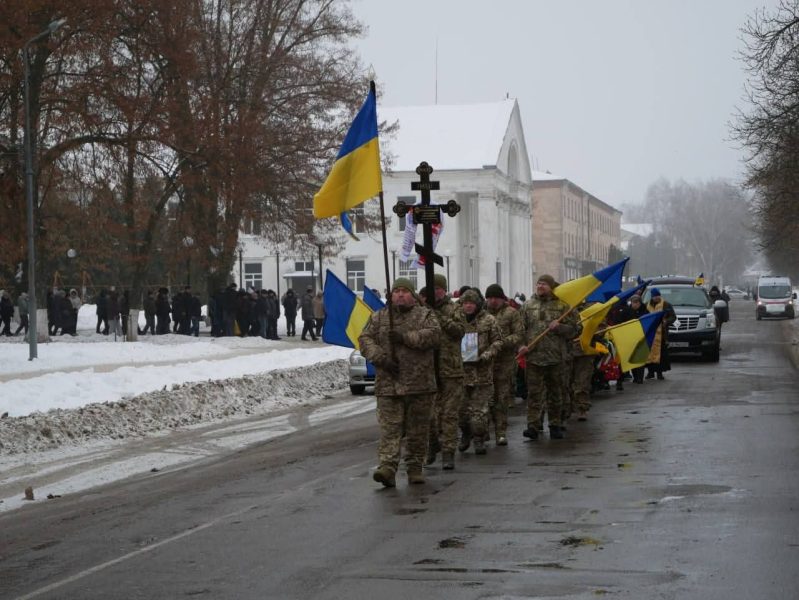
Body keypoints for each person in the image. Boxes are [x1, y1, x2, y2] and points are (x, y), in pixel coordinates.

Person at [359, 278, 441, 487]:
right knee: (390, 429)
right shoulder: (379, 317)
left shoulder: (425, 315)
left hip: (419, 385)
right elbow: (365, 340)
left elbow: (433, 336)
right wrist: (382, 358)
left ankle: (415, 468)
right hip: (389, 385)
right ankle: (387, 467)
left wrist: (405, 337)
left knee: (417, 430)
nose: (400, 295)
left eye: (405, 291)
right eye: (397, 292)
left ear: (413, 296)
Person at [517, 274, 579, 440]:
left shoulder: (563, 306)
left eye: (544, 284)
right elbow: (519, 330)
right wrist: (521, 345)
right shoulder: (527, 306)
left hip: (556, 358)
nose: (540, 286)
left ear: (551, 287)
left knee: (555, 393)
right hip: (534, 358)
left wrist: (560, 327)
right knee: (534, 394)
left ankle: (555, 424)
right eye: (538, 283)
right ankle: (533, 426)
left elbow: (575, 330)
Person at [426, 273, 465, 470]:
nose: (435, 293)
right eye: (432, 289)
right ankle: (432, 446)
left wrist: (439, 317)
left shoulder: (454, 308)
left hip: (451, 370)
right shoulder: (423, 310)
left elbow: (459, 331)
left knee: (449, 415)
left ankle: (449, 452)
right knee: (430, 415)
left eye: (438, 289)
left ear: (444, 290)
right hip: (428, 371)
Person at [458, 288, 502, 456]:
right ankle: (465, 433)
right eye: (465, 303)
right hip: (461, 373)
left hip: (481, 372)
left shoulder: (489, 320)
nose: (468, 306)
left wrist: (486, 355)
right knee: (461, 411)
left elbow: (498, 342)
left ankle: (478, 438)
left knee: (480, 411)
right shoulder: (456, 321)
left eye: (471, 303)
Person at [484, 283, 523, 445]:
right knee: (486, 399)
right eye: (490, 298)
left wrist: (502, 343)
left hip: (505, 362)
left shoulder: (511, 313)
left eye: (496, 298)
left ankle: (501, 431)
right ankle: (483, 431)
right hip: (485, 363)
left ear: (502, 298)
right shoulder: (482, 314)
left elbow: (518, 335)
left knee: (501, 399)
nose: (493, 301)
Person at [645, 288, 676, 380]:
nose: (657, 298)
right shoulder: (647, 305)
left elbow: (673, 316)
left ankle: (659, 373)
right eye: (655, 296)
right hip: (650, 333)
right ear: (652, 297)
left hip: (662, 334)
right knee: (649, 354)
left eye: (658, 296)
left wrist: (666, 321)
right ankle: (650, 373)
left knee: (661, 355)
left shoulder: (666, 305)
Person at [628, 294, 649, 384]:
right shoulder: (628, 311)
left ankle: (640, 377)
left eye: (637, 303)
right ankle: (635, 376)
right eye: (634, 303)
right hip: (631, 337)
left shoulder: (645, 311)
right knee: (632, 358)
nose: (635, 305)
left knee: (640, 358)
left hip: (642, 337)